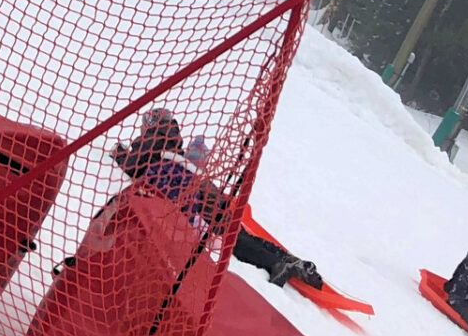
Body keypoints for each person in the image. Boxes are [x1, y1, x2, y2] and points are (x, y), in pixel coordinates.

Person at [111, 107, 323, 290]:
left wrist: (119, 153)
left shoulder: (152, 140)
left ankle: (274, 262)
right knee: (234, 229)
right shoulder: (175, 145)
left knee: (231, 239)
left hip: (192, 194)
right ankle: (288, 258)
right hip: (204, 188)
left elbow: (134, 164)